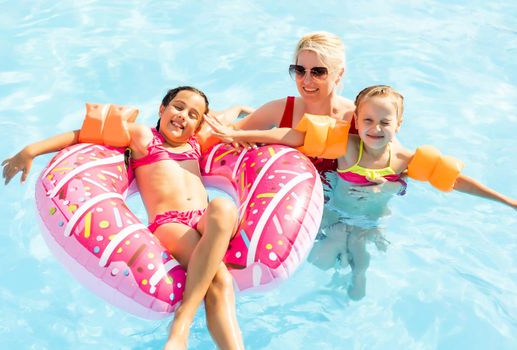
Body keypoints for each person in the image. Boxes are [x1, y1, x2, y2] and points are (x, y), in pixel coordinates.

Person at [205, 84, 517, 300]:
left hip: (371, 219)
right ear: (356, 120)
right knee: (324, 257)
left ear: (400, 122)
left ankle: (358, 276)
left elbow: (456, 180)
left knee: (358, 251)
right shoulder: (347, 146)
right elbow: (293, 136)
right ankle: (351, 273)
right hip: (336, 213)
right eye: (367, 120)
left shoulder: (405, 160)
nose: (375, 128)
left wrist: (507, 201)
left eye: (385, 121)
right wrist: (240, 132)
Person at [1, 86, 246, 350]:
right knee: (220, 281)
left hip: (204, 219)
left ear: (198, 126)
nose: (183, 116)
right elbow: (81, 135)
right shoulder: (143, 136)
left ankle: (183, 322)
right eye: (178, 106)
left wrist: (243, 109)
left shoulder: (196, 144)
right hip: (171, 223)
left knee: (223, 207)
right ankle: (182, 324)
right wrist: (31, 150)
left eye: (193, 114)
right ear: (161, 109)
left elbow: (223, 118)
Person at [231, 31, 355, 178]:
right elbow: (228, 133)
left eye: (318, 72)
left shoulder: (357, 118)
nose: (307, 81)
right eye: (300, 70)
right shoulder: (281, 110)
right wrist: (237, 140)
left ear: (339, 74)